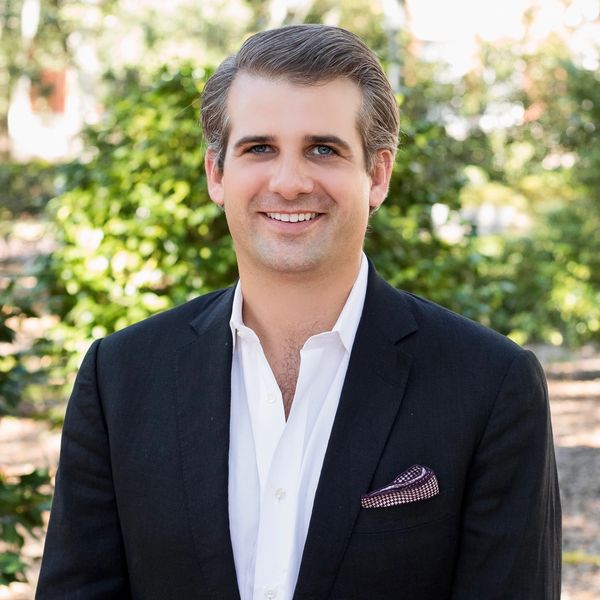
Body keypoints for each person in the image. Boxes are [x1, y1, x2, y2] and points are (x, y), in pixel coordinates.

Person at [37, 24, 561, 600]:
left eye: (323, 149)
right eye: (259, 148)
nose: (289, 183)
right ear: (217, 174)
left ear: (377, 175)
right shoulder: (120, 377)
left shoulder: (490, 385)